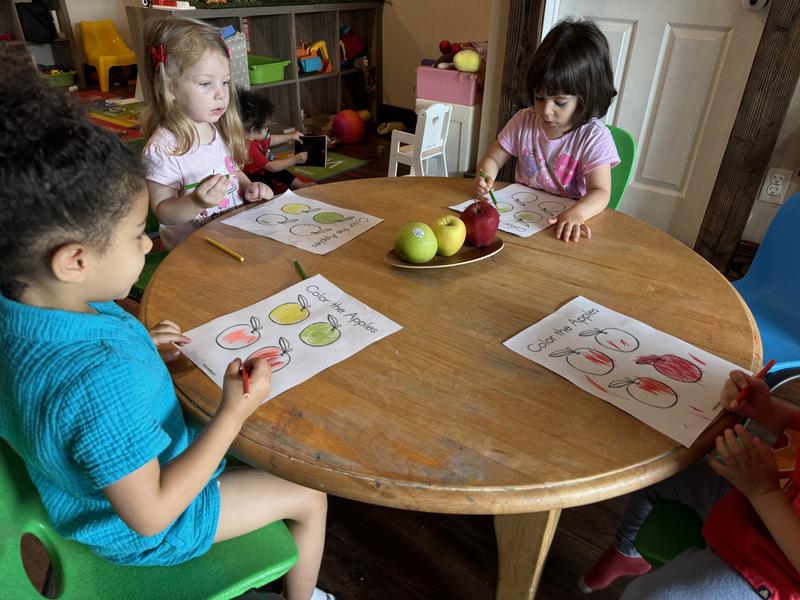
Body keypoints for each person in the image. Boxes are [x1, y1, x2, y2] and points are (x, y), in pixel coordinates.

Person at [0, 56, 335, 600]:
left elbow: (73, 406)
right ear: (74, 261)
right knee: (309, 494)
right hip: (141, 527)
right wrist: (232, 413)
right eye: (138, 233)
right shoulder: (95, 380)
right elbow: (152, 514)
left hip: (89, 488)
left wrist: (138, 347)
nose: (151, 242)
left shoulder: (26, 305)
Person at [580, 370, 800, 599]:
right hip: (762, 495)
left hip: (775, 573)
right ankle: (628, 552)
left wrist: (764, 492)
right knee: (658, 469)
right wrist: (767, 410)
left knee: (643, 595)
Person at [474, 18, 619, 242]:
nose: (546, 111)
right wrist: (486, 177)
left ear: (586, 98)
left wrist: (578, 213)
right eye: (539, 97)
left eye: (559, 102)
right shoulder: (524, 120)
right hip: (519, 224)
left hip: (564, 230)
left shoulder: (593, 137)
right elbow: (492, 159)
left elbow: (601, 192)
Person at [142, 17, 273, 250]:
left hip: (232, 236)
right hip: (194, 252)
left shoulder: (215, 127)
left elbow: (232, 173)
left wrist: (249, 187)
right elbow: (164, 212)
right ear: (169, 87)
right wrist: (195, 201)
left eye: (225, 82)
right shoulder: (162, 149)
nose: (221, 94)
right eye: (205, 84)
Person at [239, 89, 315, 192]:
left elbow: (270, 139)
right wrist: (295, 159)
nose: (267, 129)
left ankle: (300, 185)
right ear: (253, 130)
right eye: (265, 126)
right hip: (251, 176)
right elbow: (271, 167)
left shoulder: (254, 137)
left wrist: (291, 136)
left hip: (262, 169)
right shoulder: (248, 146)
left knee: (281, 171)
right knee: (264, 186)